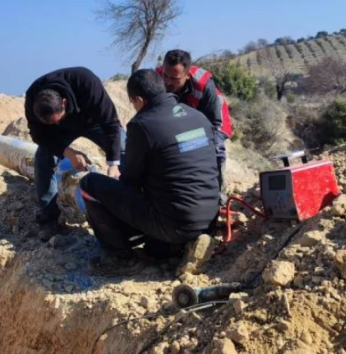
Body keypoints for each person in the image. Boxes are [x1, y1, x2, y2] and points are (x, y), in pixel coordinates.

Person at [79, 69, 220, 275]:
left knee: (90, 184)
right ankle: (167, 247)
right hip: (209, 219)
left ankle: (121, 258)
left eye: (133, 103)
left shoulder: (141, 125)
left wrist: (116, 181)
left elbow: (131, 182)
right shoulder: (198, 116)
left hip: (175, 224)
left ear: (138, 100)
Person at [24, 66, 126, 241]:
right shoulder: (33, 96)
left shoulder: (86, 82)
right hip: (60, 134)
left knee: (125, 149)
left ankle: (137, 204)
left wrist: (113, 163)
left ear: (64, 103)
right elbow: (38, 135)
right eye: (48, 122)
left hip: (92, 122)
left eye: (58, 118)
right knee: (43, 159)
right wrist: (67, 152)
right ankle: (49, 218)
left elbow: (111, 124)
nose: (54, 122)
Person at [155, 50, 233, 206]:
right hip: (182, 117)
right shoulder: (157, 78)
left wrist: (190, 140)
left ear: (187, 76)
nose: (168, 82)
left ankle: (218, 195)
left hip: (212, 119)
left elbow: (213, 123)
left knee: (214, 149)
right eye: (166, 76)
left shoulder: (204, 83)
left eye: (175, 79)